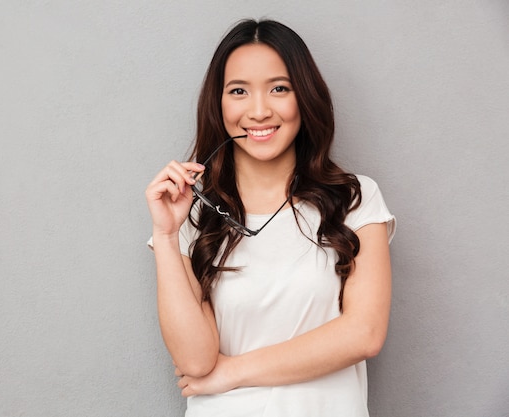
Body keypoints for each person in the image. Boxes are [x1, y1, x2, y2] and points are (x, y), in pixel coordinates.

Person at [145, 18, 395, 417]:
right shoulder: (194, 212)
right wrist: (166, 233)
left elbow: (364, 334)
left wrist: (234, 372)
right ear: (219, 104)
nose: (259, 111)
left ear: (305, 98)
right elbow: (195, 362)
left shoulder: (353, 198)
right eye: (239, 91)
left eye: (279, 88)